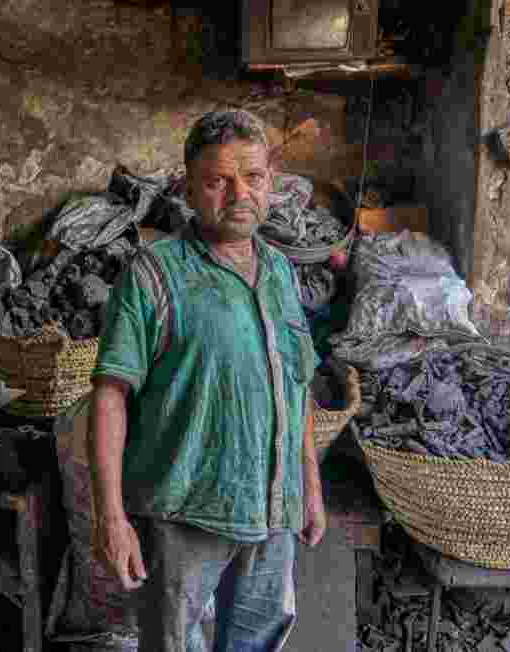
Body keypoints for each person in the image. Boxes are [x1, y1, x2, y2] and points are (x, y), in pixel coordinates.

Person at [88, 109, 325, 652]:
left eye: (254, 177)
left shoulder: (282, 272)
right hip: (182, 511)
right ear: (190, 189)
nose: (240, 193)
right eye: (219, 181)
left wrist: (309, 487)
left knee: (257, 641)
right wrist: (112, 517)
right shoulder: (154, 274)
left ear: (271, 182)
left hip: (272, 510)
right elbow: (110, 395)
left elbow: (297, 384)